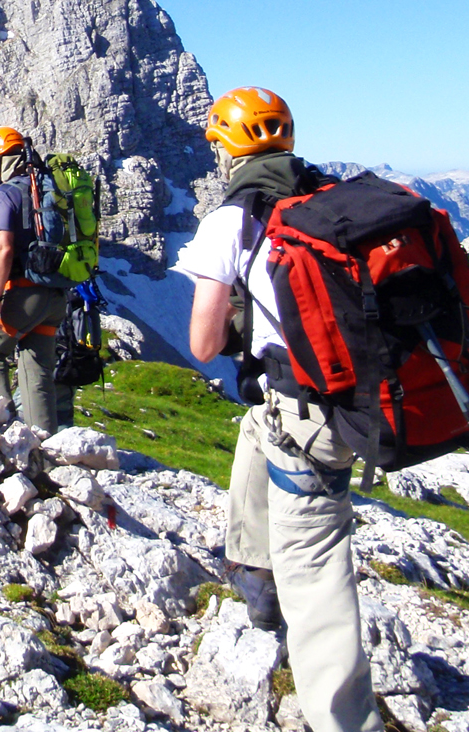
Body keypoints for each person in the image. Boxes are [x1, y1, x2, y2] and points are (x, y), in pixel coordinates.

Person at [174, 87, 380, 732]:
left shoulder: (231, 220)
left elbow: (204, 343)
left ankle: (344, 720)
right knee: (254, 434)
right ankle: (258, 587)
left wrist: (242, 317)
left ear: (227, 146)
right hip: (338, 395)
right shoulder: (329, 196)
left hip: (310, 407)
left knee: (317, 567)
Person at [0, 126, 67, 432]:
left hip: (24, 293)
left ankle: (2, 432)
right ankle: (44, 445)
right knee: (36, 367)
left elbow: (4, 249)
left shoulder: (5, 194)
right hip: (56, 294)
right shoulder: (48, 188)